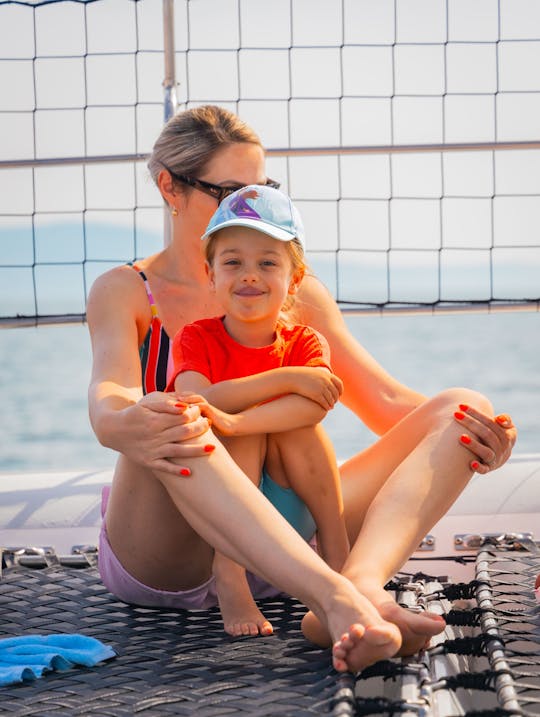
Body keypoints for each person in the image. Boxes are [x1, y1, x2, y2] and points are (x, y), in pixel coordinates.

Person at [86, 104, 517, 673]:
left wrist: (481, 436)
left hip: (288, 534)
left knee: (466, 408)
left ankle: (358, 583)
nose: (251, 206)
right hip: (174, 548)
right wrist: (131, 423)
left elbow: (384, 402)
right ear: (171, 187)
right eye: (230, 191)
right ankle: (337, 600)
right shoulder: (127, 289)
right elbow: (109, 397)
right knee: (176, 412)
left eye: (263, 188)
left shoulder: (295, 288)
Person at [168, 184, 350, 637]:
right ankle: (229, 575)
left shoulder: (306, 342)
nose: (249, 274)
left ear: (294, 278)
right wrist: (283, 380)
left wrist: (240, 417)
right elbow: (195, 398)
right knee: (240, 432)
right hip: (227, 510)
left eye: (267, 263)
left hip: (292, 500)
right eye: (233, 262)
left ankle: (337, 549)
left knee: (295, 429)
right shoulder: (196, 338)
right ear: (210, 274)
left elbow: (312, 411)